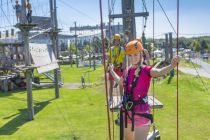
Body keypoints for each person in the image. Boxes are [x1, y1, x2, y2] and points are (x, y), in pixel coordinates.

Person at [109, 40, 180, 140]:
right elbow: (120, 82)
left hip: (141, 114)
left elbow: (159, 72)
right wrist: (111, 71)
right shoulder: (127, 71)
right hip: (127, 112)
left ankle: (151, 136)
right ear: (127, 56)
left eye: (135, 54)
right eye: (130, 55)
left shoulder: (146, 70)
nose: (133, 58)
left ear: (140, 54)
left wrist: (172, 65)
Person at [107, 34, 126, 104]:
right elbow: (109, 58)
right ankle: (110, 99)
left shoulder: (122, 49)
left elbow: (124, 59)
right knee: (111, 84)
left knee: (121, 84)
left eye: (118, 40)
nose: (116, 41)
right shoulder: (111, 49)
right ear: (114, 40)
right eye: (115, 40)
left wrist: (124, 68)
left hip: (119, 68)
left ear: (119, 41)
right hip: (112, 68)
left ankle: (121, 98)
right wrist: (108, 66)